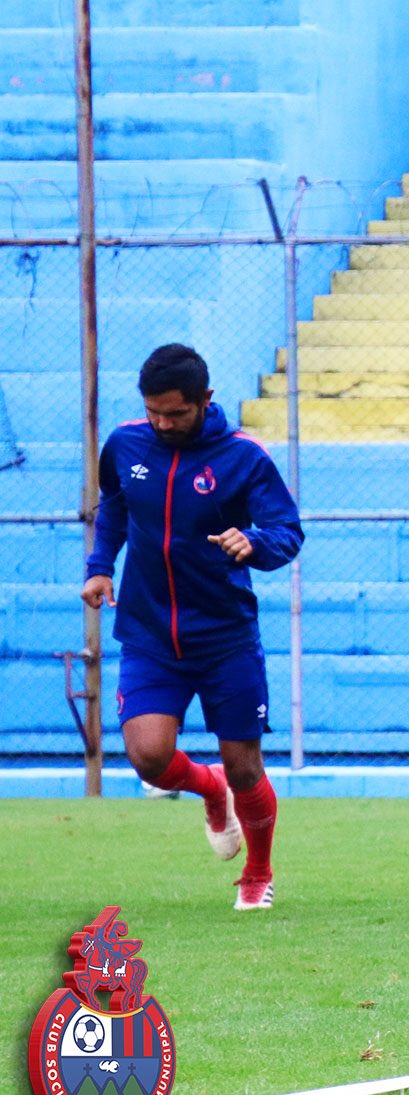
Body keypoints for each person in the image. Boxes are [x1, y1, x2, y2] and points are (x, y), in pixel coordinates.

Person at [81, 344, 303, 910]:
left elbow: (287, 531)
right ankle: (209, 790)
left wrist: (253, 542)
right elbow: (114, 504)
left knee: (244, 764)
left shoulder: (244, 457)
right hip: (150, 634)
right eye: (154, 411)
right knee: (149, 757)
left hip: (225, 637)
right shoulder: (127, 444)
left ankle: (256, 873)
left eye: (175, 413)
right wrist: (101, 567)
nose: (163, 423)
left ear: (205, 401)